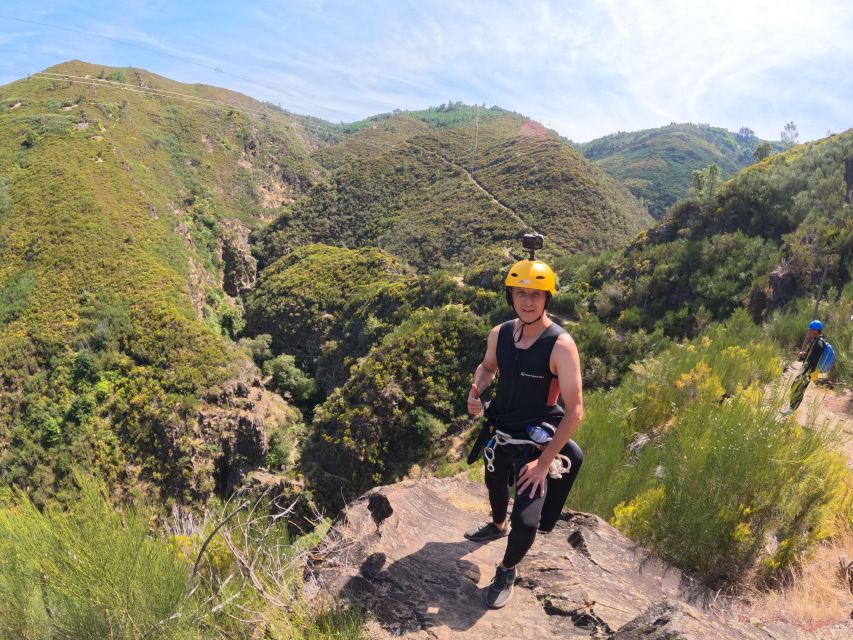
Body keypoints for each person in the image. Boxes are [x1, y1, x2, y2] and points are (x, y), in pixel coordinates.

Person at [464, 254, 584, 609]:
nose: (527, 302)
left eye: (536, 295)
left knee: (528, 519)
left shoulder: (560, 345)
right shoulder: (500, 334)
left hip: (536, 440)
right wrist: (476, 390)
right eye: (520, 294)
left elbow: (575, 410)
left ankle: (507, 568)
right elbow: (487, 368)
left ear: (548, 298)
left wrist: (546, 462)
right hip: (500, 429)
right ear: (510, 296)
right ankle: (497, 525)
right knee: (495, 485)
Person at [783, 319, 826, 415]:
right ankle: (791, 408)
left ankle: (791, 409)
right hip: (808, 370)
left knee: (798, 387)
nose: (809, 332)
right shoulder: (817, 340)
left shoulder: (819, 343)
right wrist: (804, 355)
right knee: (797, 386)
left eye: (811, 330)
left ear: (815, 330)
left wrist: (810, 373)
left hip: (808, 371)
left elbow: (814, 358)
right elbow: (811, 355)